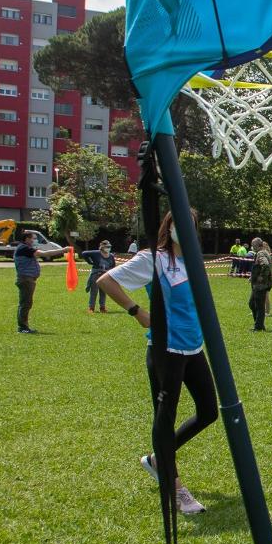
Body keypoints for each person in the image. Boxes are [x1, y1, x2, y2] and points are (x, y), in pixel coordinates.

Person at [98, 209, 218, 516]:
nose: (186, 230)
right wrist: (136, 311)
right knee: (165, 417)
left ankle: (157, 459)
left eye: (191, 226)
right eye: (180, 224)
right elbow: (106, 281)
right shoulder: (154, 258)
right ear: (169, 225)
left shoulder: (193, 260)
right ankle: (175, 486)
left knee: (209, 412)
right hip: (166, 350)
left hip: (193, 347)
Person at [13, 229, 41, 333]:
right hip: (26, 280)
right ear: (27, 239)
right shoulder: (24, 248)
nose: (34, 240)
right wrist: (63, 250)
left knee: (26, 303)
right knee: (25, 303)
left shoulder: (25, 248)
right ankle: (22, 328)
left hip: (28, 279)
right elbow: (43, 254)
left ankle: (24, 327)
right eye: (32, 238)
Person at [82, 239, 116, 313]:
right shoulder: (96, 253)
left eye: (109, 247)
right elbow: (84, 253)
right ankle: (91, 308)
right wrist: (90, 262)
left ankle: (102, 308)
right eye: (106, 247)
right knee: (94, 292)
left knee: (103, 292)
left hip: (105, 276)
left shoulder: (111, 256)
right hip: (96, 275)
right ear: (102, 247)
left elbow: (113, 266)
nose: (108, 248)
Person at [248, 239, 272, 332]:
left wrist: (261, 277)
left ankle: (259, 327)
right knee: (252, 304)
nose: (251, 246)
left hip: (261, 285)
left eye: (252, 245)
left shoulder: (261, 254)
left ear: (257, 245)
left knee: (258, 305)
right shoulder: (262, 252)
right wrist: (253, 276)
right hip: (259, 284)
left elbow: (266, 265)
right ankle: (258, 325)